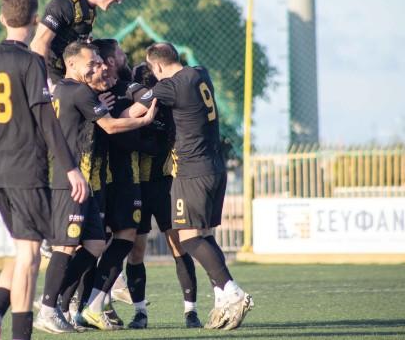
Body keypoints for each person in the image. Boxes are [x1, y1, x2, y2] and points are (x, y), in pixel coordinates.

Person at [0, 0, 88, 340]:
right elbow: (46, 119)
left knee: (23, 246)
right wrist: (71, 167)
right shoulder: (30, 62)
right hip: (25, 169)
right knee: (30, 253)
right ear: (35, 20)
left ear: (3, 19)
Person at [127, 42, 254, 330]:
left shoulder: (169, 87)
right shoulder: (200, 73)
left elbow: (133, 112)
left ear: (158, 66)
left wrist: (131, 92)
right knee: (205, 235)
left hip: (191, 171)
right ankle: (222, 299)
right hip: (215, 167)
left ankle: (233, 291)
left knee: (189, 239)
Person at [34, 41, 157, 333]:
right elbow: (111, 126)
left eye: (97, 62)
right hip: (72, 180)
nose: (95, 68)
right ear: (71, 64)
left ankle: (58, 304)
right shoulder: (78, 91)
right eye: (90, 63)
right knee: (67, 246)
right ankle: (49, 309)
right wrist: (146, 119)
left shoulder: (65, 90)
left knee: (95, 244)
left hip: (81, 181)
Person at [121, 62, 203, 330]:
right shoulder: (130, 108)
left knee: (178, 246)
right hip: (138, 187)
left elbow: (166, 142)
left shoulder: (168, 107)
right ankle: (140, 312)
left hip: (166, 185)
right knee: (136, 250)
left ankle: (191, 311)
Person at [30, 0, 128, 84]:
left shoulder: (89, 7)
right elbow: (39, 43)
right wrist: (46, 83)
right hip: (53, 76)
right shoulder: (65, 3)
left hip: (71, 76)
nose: (119, 1)